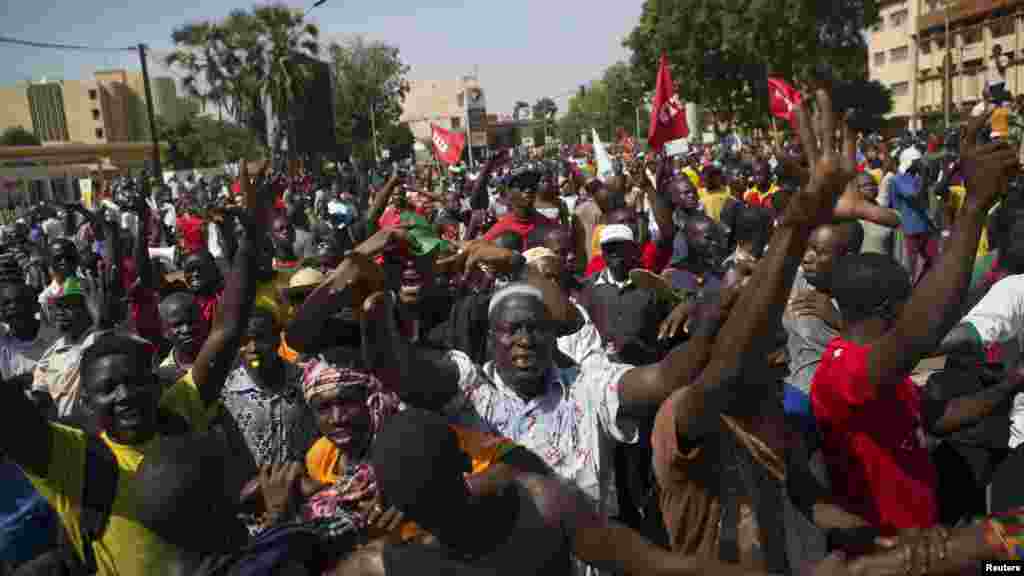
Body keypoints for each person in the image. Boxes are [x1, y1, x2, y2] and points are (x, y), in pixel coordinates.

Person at [810, 111, 1019, 531]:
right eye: (909, 304)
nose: (916, 311)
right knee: (1007, 558)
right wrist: (975, 204)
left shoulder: (881, 370)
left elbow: (937, 416)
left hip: (923, 537)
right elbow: (923, 329)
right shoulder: (846, 373)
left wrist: (1012, 384)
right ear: (890, 310)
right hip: (887, 554)